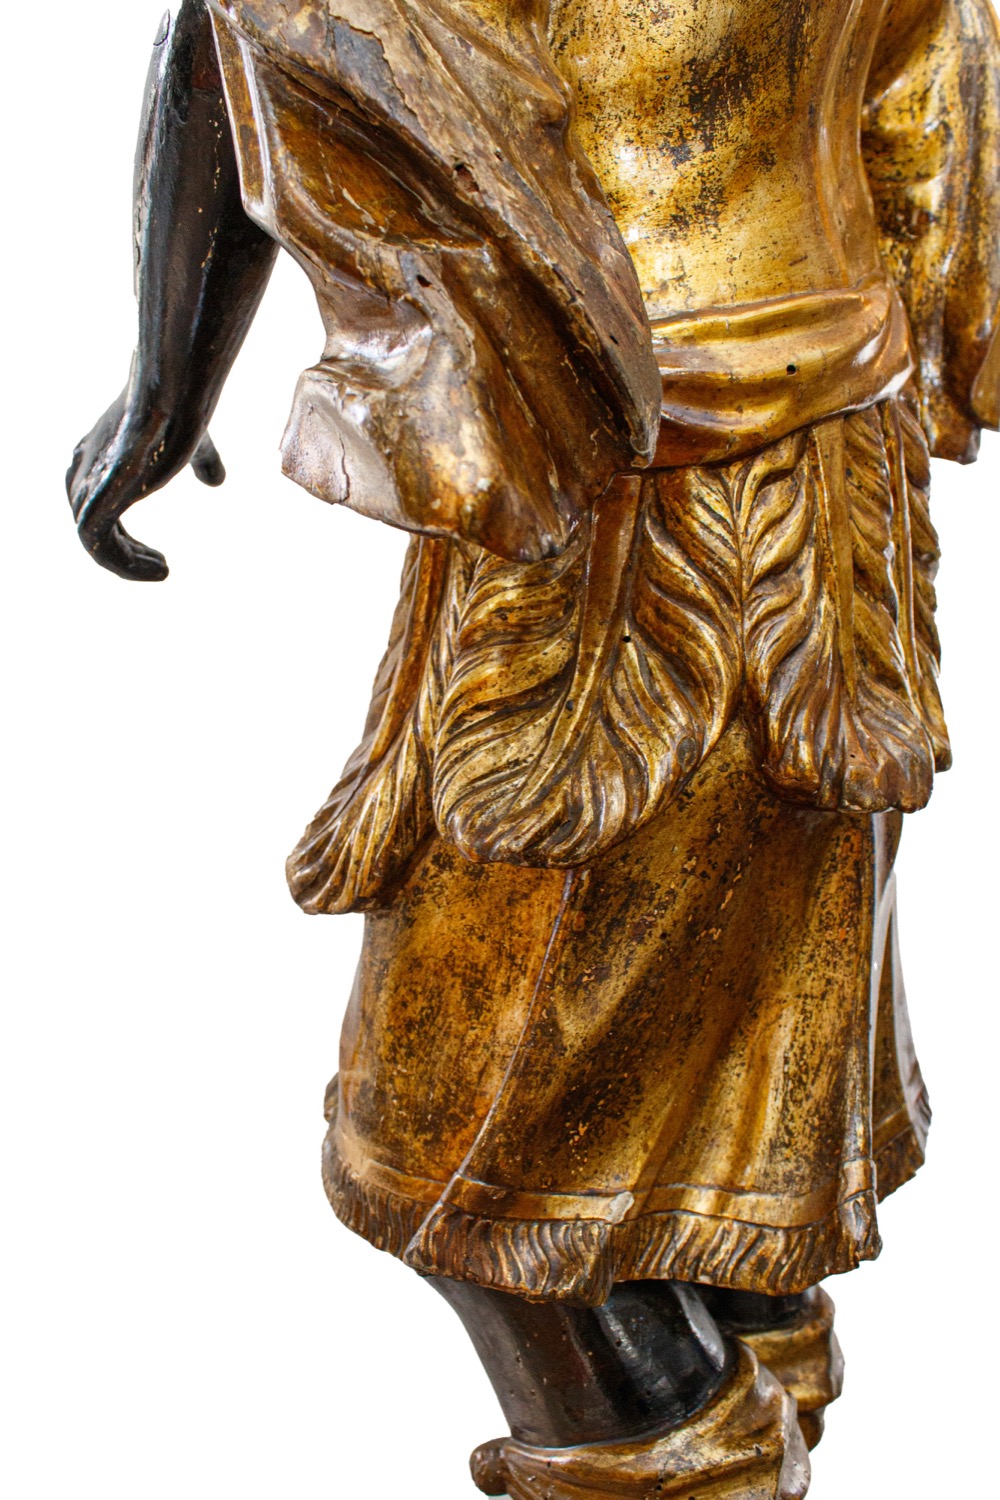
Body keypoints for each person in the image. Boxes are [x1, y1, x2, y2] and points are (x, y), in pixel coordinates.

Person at [67, 2, 999, 1495]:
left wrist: (164, 395)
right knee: (701, 1168)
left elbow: (260, 27)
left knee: (469, 1169)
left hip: (610, 512)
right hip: (829, 504)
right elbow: (925, 106)